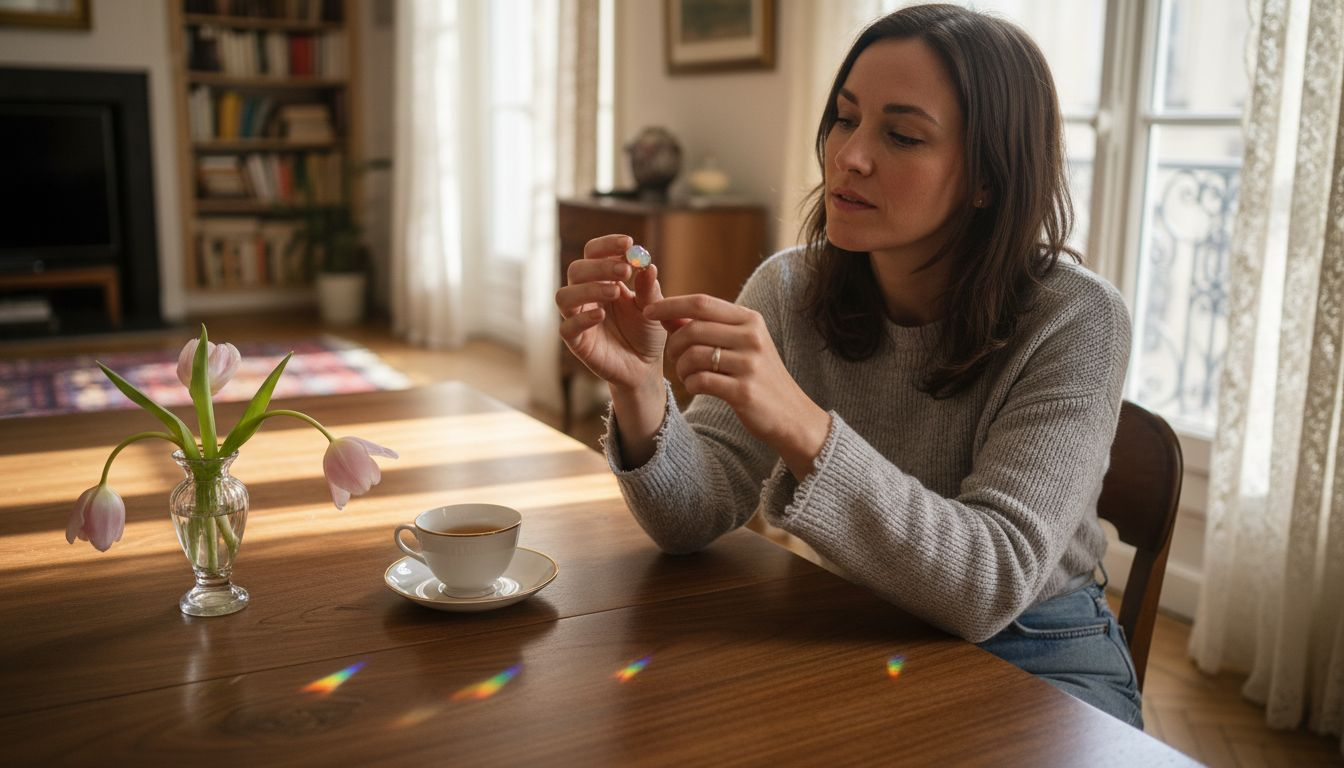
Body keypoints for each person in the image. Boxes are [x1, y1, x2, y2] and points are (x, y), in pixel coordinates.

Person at [555, 4, 1141, 727]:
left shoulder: (1078, 319)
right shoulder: (791, 287)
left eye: (901, 135)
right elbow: (695, 517)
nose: (850, 155)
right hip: (855, 621)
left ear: (988, 175)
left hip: (1038, 655)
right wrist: (641, 389)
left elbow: (990, 584)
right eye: (844, 117)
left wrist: (802, 426)